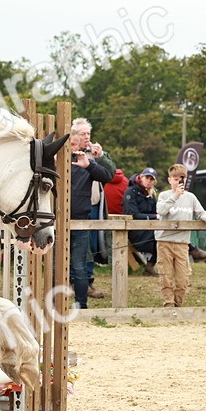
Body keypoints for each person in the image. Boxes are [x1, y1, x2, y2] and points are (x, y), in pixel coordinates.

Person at [67, 118, 114, 307]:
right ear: (73, 136)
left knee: (80, 265)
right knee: (55, 266)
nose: (87, 137)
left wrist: (96, 160)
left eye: (88, 134)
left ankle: (81, 304)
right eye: (83, 134)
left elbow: (109, 174)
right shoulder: (60, 154)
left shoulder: (92, 155)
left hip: (82, 215)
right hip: (56, 217)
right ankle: (54, 304)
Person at [155, 163, 206, 307]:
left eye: (181, 179)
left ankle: (178, 303)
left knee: (183, 278)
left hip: (183, 243)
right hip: (165, 242)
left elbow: (200, 212)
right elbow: (162, 211)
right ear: (170, 180)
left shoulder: (191, 197)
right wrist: (175, 196)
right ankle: (168, 303)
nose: (178, 182)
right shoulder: (164, 195)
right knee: (166, 275)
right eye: (175, 179)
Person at [122, 167, 159, 276]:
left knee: (164, 234)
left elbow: (156, 211)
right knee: (161, 235)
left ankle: (150, 265)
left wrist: (156, 216)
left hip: (148, 228)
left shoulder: (151, 194)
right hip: (135, 230)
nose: (149, 181)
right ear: (141, 177)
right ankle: (194, 251)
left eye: (152, 179)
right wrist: (155, 216)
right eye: (147, 177)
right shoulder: (130, 192)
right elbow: (133, 214)